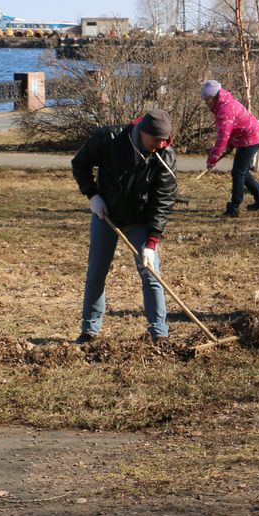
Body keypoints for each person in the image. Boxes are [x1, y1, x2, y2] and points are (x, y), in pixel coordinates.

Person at [71, 109, 178, 344]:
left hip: (139, 220)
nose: (160, 145)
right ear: (143, 132)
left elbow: (163, 200)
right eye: (156, 140)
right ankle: (90, 330)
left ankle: (159, 333)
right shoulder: (109, 138)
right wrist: (92, 195)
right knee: (96, 273)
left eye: (164, 140)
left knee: (151, 274)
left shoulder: (165, 155)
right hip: (106, 214)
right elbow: (80, 163)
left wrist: (151, 242)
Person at [201, 80, 259, 217]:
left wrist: (212, 159)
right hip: (249, 137)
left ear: (213, 97)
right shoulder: (224, 102)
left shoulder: (225, 110)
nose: (206, 103)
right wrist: (229, 147)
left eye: (207, 100)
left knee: (237, 172)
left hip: (251, 139)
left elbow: (222, 139)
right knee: (243, 172)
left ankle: (234, 207)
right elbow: (232, 131)